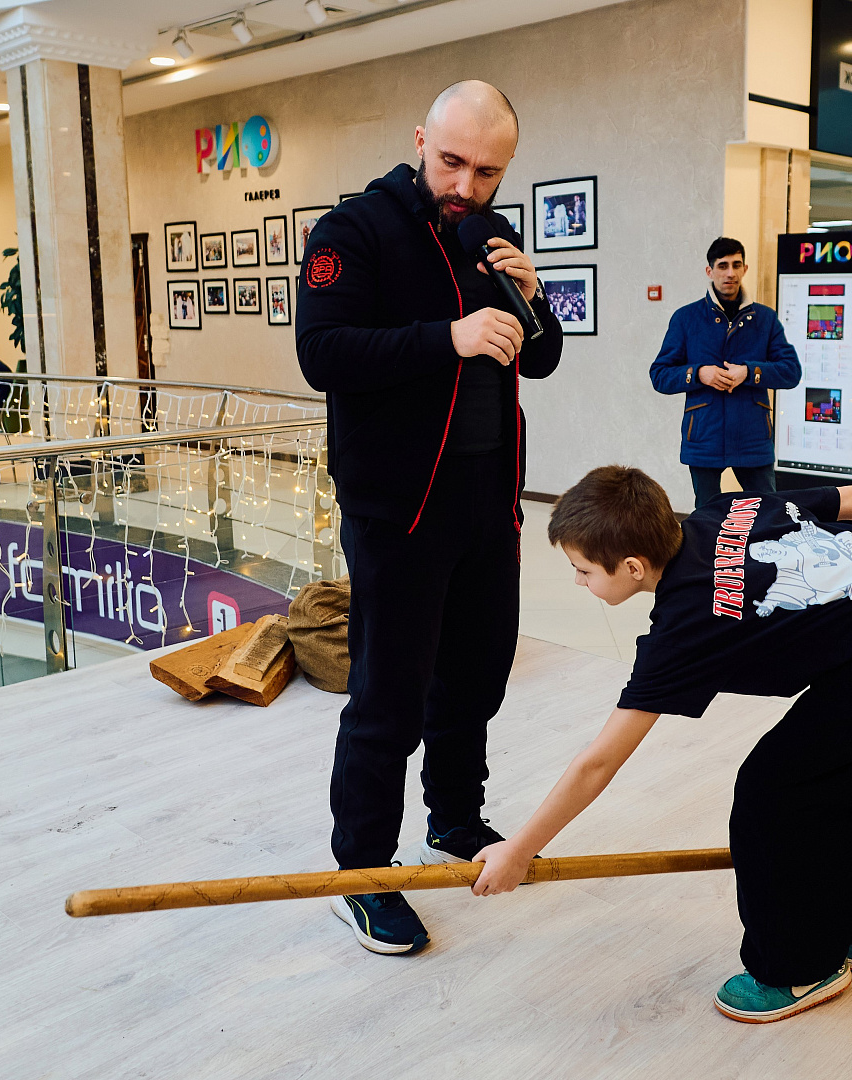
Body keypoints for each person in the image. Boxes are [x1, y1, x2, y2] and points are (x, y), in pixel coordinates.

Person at [471, 465, 852, 1025]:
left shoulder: (683, 626)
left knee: (778, 792)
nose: (577, 582)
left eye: (583, 570)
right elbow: (849, 501)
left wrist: (519, 850)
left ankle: (798, 968)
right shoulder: (722, 510)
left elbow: (599, 762)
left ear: (633, 567)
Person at [295, 80, 565, 957]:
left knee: (476, 678)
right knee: (389, 697)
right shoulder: (354, 231)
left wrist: (534, 298)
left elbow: (542, 358)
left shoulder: (491, 235)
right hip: (398, 508)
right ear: (420, 139)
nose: (466, 185)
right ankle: (360, 873)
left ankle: (452, 818)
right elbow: (321, 353)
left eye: (487, 172)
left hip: (488, 500)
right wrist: (446, 336)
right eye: (452, 162)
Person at [650, 238, 801, 509]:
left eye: (736, 265)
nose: (730, 273)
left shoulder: (765, 318)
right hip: (704, 436)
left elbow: (791, 371)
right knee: (708, 515)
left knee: (769, 512)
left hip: (753, 437)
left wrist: (750, 372)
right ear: (710, 271)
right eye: (722, 266)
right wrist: (699, 374)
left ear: (745, 269)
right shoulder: (686, 318)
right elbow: (660, 375)